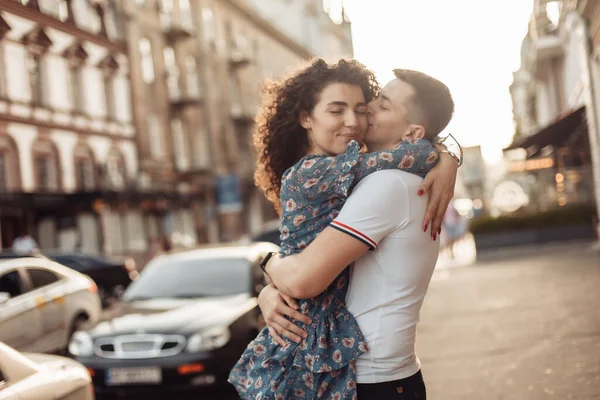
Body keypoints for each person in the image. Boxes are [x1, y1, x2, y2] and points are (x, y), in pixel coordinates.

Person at [228, 60, 458, 399]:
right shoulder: (351, 177)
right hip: (363, 370)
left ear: (411, 133)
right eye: (373, 104)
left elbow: (303, 279)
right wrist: (448, 151)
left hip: (371, 377)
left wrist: (268, 263)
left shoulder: (386, 185)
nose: (361, 118)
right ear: (307, 118)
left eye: (376, 107)